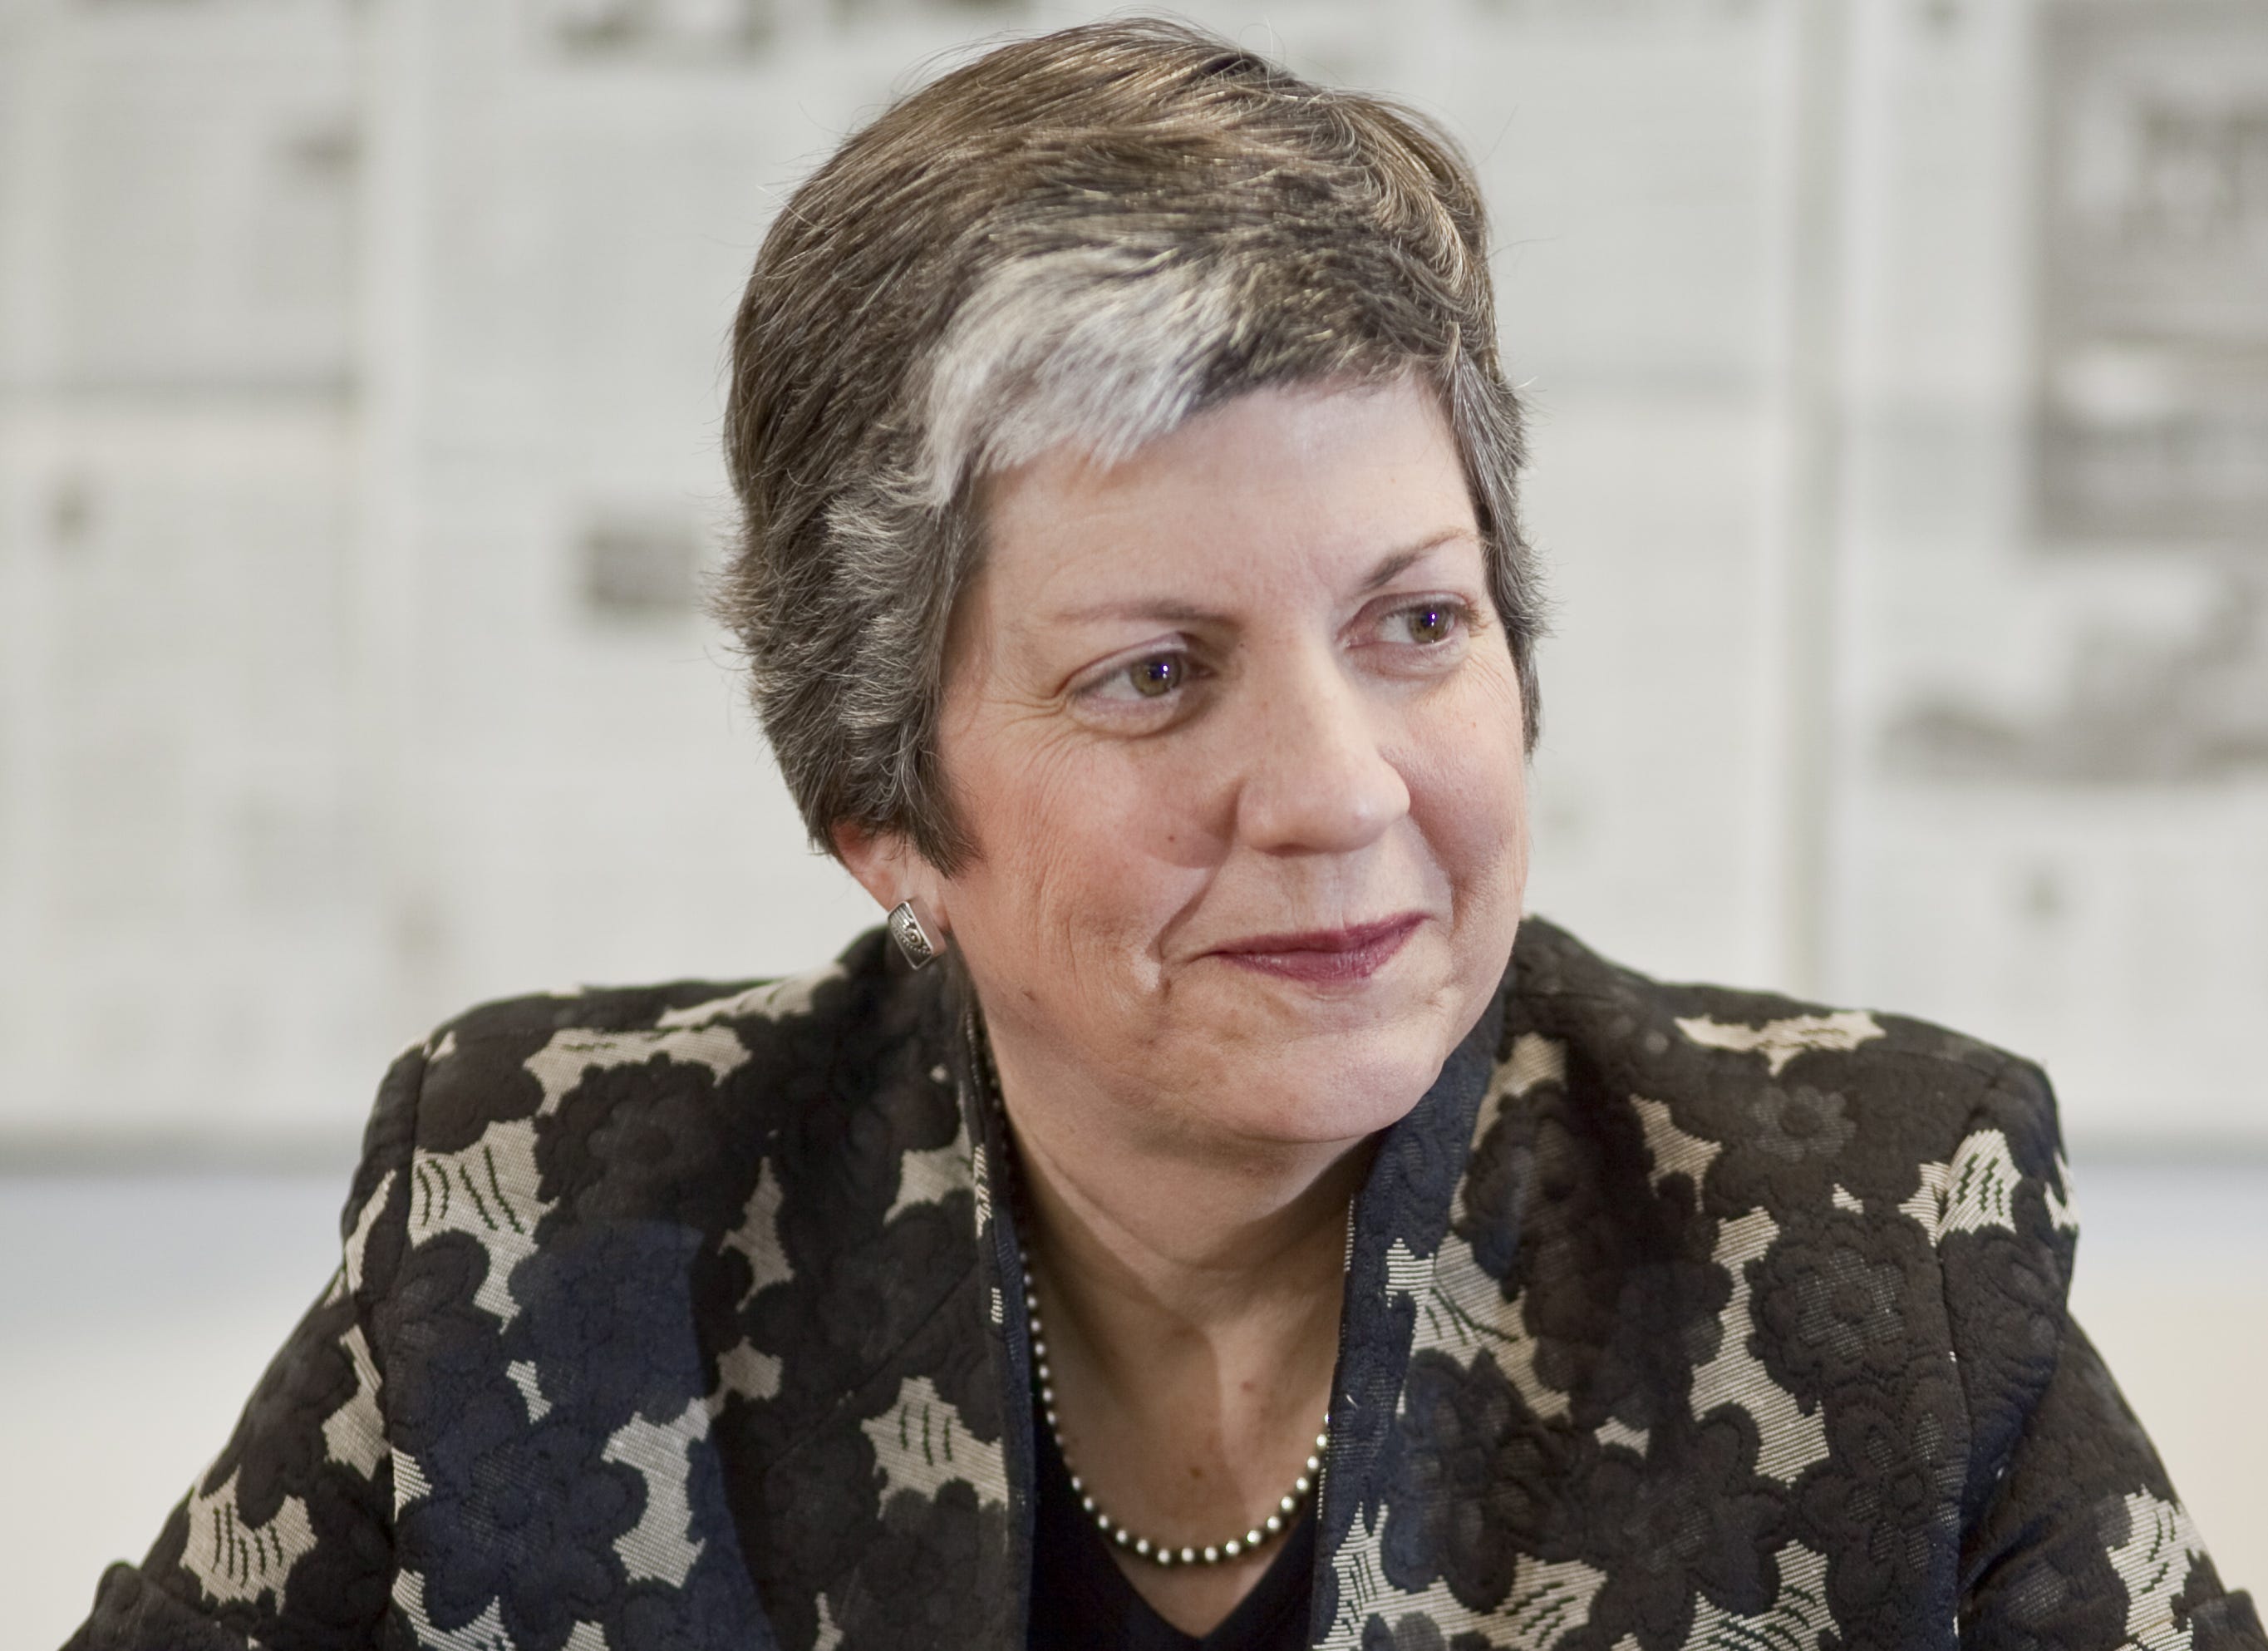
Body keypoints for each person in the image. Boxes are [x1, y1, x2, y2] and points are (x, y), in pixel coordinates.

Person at [65, 18, 2262, 1651]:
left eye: (1415, 621)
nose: (1334, 788)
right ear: (877, 801)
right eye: (1153, 671)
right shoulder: (533, 1221)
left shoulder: (1872, 1230)